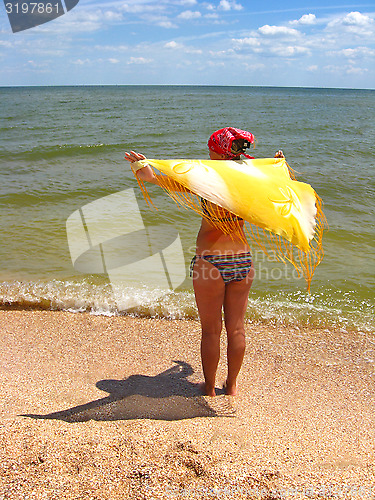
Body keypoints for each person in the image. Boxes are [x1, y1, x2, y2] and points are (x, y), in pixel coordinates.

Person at [125, 127, 284, 397]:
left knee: (211, 331)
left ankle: (209, 388)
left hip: (211, 261)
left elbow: (159, 179)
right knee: (236, 329)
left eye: (210, 149)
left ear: (218, 151)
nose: (207, 153)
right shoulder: (251, 175)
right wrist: (278, 164)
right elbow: (280, 183)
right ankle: (231, 386)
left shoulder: (205, 178)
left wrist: (144, 169)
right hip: (242, 260)